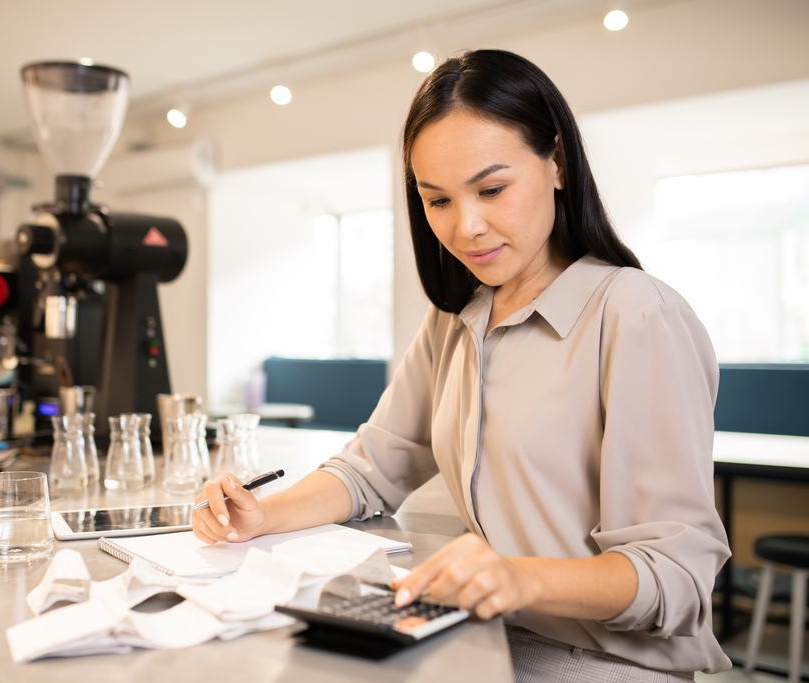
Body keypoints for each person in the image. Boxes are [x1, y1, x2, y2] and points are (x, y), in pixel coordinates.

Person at [193, 49, 729, 680]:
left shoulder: (637, 313)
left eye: (492, 189)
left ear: (556, 161)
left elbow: (677, 575)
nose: (465, 226)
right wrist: (266, 514)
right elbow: (373, 465)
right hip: (485, 636)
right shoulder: (457, 319)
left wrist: (517, 578)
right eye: (437, 200)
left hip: (597, 660)